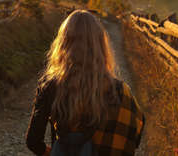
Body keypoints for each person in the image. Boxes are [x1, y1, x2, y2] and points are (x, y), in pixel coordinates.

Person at [26, 10, 145, 155]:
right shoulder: (119, 90)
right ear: (100, 44)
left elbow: (33, 141)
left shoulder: (50, 85)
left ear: (63, 43)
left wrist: (52, 153)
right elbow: (136, 135)